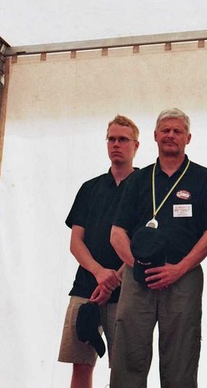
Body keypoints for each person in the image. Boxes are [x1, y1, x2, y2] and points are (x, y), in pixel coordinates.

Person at [109, 108, 207, 388]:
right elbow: (117, 233)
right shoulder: (138, 180)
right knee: (128, 352)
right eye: (165, 130)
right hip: (138, 278)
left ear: (188, 137)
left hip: (183, 276)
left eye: (177, 131)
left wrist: (179, 269)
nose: (171, 135)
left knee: (181, 356)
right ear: (155, 136)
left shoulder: (204, 179)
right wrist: (139, 266)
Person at [58, 114, 140, 388]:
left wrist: (114, 278)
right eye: (111, 139)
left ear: (136, 145)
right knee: (81, 365)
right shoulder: (90, 188)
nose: (116, 144)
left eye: (123, 139)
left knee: (124, 369)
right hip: (86, 289)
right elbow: (75, 242)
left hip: (127, 291)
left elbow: (143, 243)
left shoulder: (145, 187)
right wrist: (99, 273)